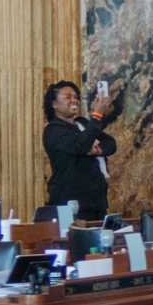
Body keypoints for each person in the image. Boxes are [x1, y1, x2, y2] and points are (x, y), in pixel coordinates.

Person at [41, 78, 121, 220]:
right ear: (54, 104)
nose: (74, 100)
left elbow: (110, 143)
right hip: (69, 203)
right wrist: (97, 114)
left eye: (75, 97)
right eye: (67, 97)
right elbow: (81, 145)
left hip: (96, 201)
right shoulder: (53, 130)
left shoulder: (82, 123)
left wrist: (97, 150)